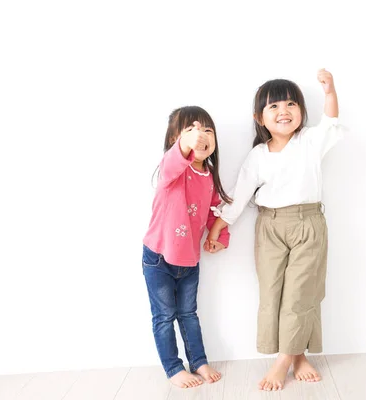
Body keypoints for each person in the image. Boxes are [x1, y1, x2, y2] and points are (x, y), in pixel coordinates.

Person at [206, 69, 345, 391]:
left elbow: (331, 121)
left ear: (301, 111)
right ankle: (297, 356)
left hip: (307, 224)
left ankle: (284, 360)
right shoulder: (257, 155)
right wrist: (215, 232)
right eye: (274, 107)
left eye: (291, 104)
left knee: (300, 295)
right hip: (269, 226)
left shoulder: (310, 140)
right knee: (272, 295)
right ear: (259, 117)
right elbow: (238, 198)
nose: (284, 111)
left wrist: (330, 91)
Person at [142, 106, 232, 388]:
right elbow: (174, 160)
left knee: (189, 314)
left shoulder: (210, 175)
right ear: (175, 141)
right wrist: (186, 145)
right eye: (192, 130)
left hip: (189, 260)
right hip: (159, 257)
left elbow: (214, 211)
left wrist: (219, 237)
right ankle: (173, 368)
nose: (201, 135)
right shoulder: (171, 171)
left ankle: (199, 361)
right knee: (164, 317)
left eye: (207, 130)